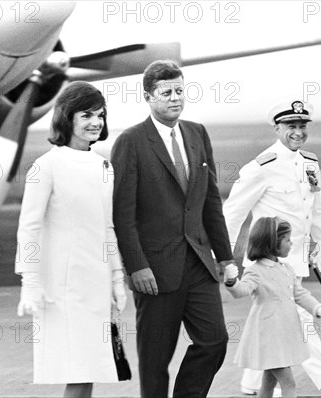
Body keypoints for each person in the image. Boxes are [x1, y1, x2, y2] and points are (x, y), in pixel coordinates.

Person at [111, 60, 235, 398]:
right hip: (154, 270)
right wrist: (136, 266)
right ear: (148, 96)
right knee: (155, 361)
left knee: (215, 341)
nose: (175, 98)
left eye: (180, 90)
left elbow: (210, 200)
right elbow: (123, 214)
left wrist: (225, 257)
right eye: (166, 92)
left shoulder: (197, 133)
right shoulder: (131, 142)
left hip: (199, 263)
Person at [222, 100, 321, 398]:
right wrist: (222, 259)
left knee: (269, 322)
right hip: (266, 262)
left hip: (293, 261)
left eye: (301, 126)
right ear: (277, 128)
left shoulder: (310, 162)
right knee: (299, 322)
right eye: (290, 127)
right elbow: (232, 213)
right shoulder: (261, 167)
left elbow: (315, 209)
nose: (297, 132)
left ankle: (251, 382)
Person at [15, 81, 127, 398]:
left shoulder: (104, 166)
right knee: (77, 371)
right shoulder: (46, 166)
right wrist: (30, 282)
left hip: (96, 285)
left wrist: (117, 278)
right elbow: (29, 227)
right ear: (67, 118)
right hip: (62, 290)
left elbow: (107, 227)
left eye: (100, 115)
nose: (95, 122)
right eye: (87, 115)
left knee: (91, 370)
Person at [223, 217, 321, 398]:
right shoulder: (256, 271)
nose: (291, 244)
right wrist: (231, 281)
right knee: (289, 383)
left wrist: (318, 309)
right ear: (272, 244)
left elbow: (299, 294)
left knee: (268, 382)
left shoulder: (286, 268)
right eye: (287, 240)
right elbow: (241, 291)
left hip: (282, 335)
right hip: (268, 337)